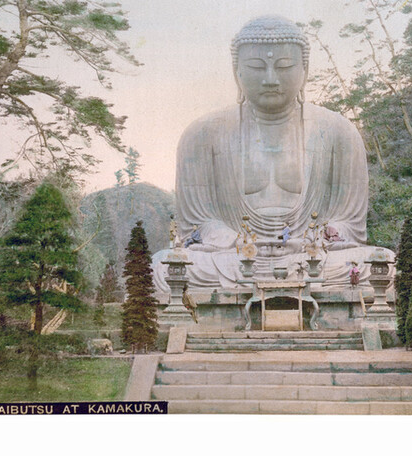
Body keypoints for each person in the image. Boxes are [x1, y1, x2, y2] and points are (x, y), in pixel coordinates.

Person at [152, 15, 392, 292]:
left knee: (379, 261)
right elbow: (196, 225)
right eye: (256, 66)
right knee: (161, 267)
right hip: (232, 257)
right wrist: (237, 242)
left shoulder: (339, 132)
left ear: (304, 70)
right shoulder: (202, 134)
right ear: (236, 72)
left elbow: (350, 224)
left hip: (312, 256)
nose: (270, 79)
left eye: (284, 66)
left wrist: (322, 236)